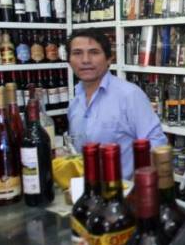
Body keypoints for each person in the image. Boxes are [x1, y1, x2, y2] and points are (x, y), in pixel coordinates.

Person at [67, 29, 167, 179]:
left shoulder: (129, 95)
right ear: (69, 61)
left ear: (109, 59)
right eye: (77, 53)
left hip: (125, 190)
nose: (85, 60)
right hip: (87, 188)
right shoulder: (75, 102)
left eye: (94, 52)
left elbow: (156, 145)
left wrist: (141, 187)